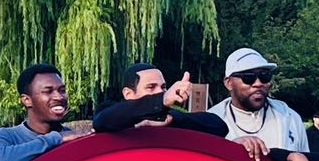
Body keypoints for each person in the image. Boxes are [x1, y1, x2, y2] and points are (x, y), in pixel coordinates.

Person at [209, 49, 307, 150]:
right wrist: (230, 148)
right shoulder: (211, 122)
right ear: (229, 83)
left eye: (264, 76)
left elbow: (306, 160)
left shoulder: (290, 118)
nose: (258, 83)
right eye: (248, 78)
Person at [93, 63, 229, 136]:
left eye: (163, 87)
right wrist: (161, 100)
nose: (159, 92)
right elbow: (102, 121)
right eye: (151, 87)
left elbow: (219, 126)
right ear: (128, 93)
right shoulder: (112, 113)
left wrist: (172, 119)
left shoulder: (168, 117)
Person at [0, 64, 71, 161]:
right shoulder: (7, 136)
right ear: (27, 100)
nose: (59, 97)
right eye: (48, 91)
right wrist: (56, 138)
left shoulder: (72, 137)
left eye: (62, 90)